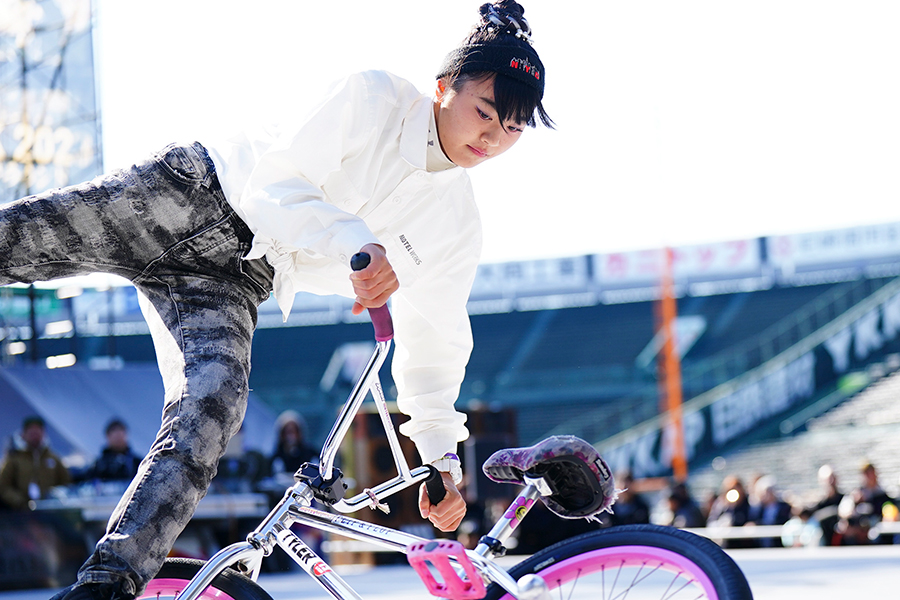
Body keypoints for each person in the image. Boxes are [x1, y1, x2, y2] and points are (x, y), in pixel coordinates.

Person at [0, 2, 551, 599]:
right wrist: (354, 246)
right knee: (16, 241)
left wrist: (441, 456)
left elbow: (436, 337)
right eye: (486, 113)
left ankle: (106, 584)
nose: (493, 138)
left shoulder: (456, 222)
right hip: (187, 198)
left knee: (214, 406)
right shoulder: (372, 99)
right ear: (444, 87)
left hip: (235, 279)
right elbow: (273, 184)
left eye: (515, 129)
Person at [0, 416, 72, 510]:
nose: (35, 435)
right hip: (19, 513)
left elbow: (66, 483)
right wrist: (20, 502)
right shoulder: (14, 459)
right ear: (24, 434)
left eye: (38, 432)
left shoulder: (53, 458)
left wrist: (54, 498)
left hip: (49, 510)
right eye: (31, 432)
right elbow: (3, 486)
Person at [269, 410, 319, 482]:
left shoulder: (311, 454)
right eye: (287, 432)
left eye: (293, 431)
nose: (290, 436)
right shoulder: (276, 457)